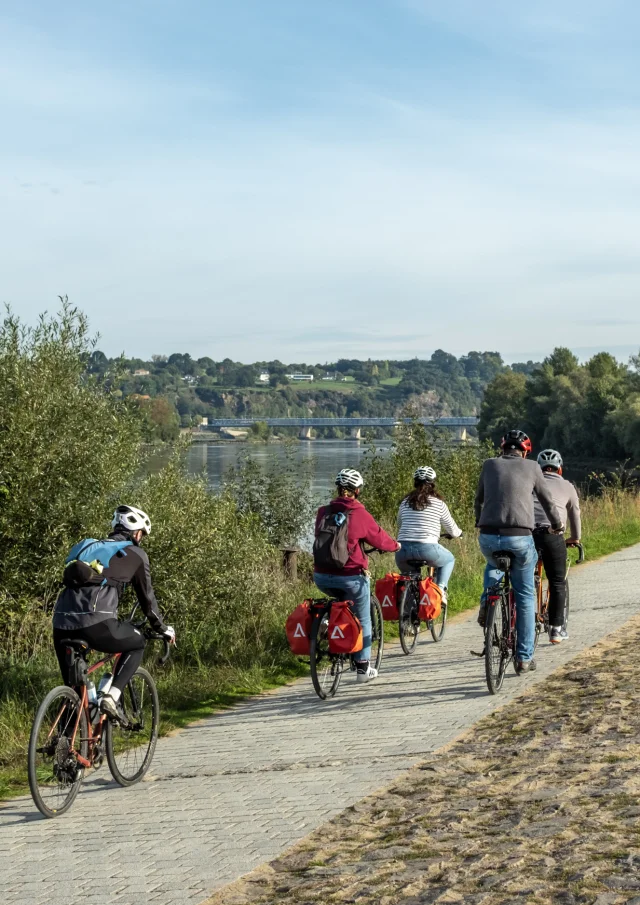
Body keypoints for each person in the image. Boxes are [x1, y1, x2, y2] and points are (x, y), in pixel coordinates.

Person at [52, 505, 175, 720]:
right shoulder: (135, 553)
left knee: (74, 691)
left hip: (61, 624)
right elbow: (147, 600)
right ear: (137, 533)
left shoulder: (86, 546)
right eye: (142, 535)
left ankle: (67, 745)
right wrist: (163, 629)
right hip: (97, 623)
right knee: (137, 643)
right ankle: (112, 696)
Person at [474, 430, 564, 674]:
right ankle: (524, 658)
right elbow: (546, 501)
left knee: (493, 565)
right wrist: (557, 525)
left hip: (489, 535)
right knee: (525, 595)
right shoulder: (533, 467)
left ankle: (487, 599)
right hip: (520, 537)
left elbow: (479, 500)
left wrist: (478, 521)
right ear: (525, 451)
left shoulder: (489, 465)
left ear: (502, 449)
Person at [313, 468, 400, 683]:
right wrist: (395, 546)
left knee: (340, 601)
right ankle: (363, 668)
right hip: (351, 577)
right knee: (364, 617)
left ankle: (327, 625)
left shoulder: (323, 512)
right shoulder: (359, 513)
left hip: (321, 576)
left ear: (338, 489)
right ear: (357, 490)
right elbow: (380, 539)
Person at [533, 449, 582, 644]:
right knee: (557, 582)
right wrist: (575, 538)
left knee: (525, 578)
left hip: (527, 534)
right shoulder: (568, 486)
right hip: (553, 535)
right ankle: (556, 630)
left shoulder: (531, 482)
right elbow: (574, 515)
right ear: (559, 469)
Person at [395, 466, 463, 605]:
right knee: (449, 559)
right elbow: (453, 530)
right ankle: (440, 590)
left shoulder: (405, 502)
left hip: (402, 550)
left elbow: (399, 523)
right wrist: (458, 534)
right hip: (427, 548)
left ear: (415, 483)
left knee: (410, 579)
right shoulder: (439, 504)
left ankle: (409, 616)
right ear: (432, 484)